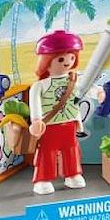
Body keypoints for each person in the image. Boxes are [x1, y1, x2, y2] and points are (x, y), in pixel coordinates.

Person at [28, 31, 93, 195]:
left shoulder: (74, 79)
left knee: (71, 150)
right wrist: (36, 120)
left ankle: (73, 174)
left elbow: (87, 88)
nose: (68, 62)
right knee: (47, 152)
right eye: (61, 59)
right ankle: (43, 179)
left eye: (71, 58)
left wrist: (98, 92)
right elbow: (35, 104)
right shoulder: (39, 86)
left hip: (70, 123)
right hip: (49, 126)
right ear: (46, 61)